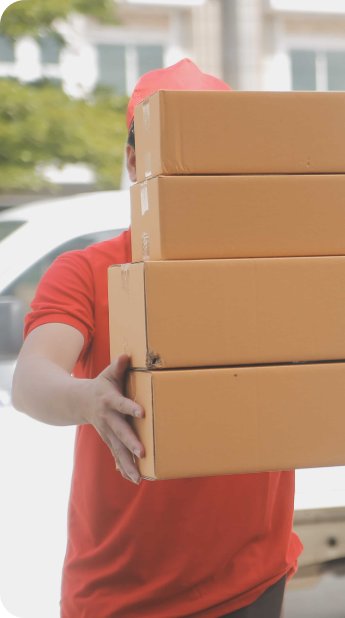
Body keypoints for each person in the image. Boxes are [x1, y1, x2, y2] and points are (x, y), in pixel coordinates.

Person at [11, 59, 302, 618]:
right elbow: (31, 378)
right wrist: (87, 400)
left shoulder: (267, 266)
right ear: (133, 161)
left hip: (253, 581)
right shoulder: (86, 270)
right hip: (124, 596)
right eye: (173, 149)